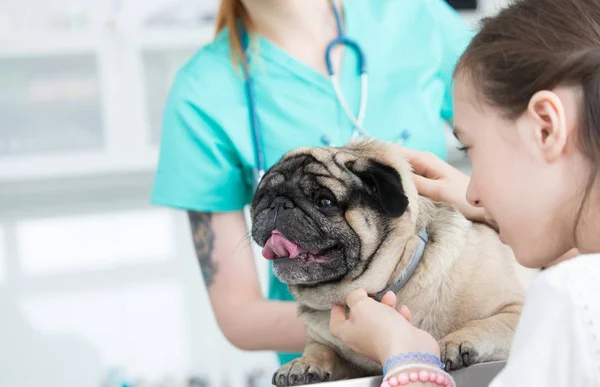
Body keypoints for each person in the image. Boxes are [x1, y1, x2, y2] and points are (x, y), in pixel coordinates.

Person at [151, 0, 473, 365]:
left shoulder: (414, 15)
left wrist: (474, 201)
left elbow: (524, 144)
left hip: (466, 329)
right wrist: (355, 328)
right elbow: (239, 315)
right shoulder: (201, 91)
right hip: (326, 365)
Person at [328, 0, 600, 385]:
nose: (470, 194)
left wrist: (405, 357)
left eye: (470, 149)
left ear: (545, 128)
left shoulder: (571, 299)